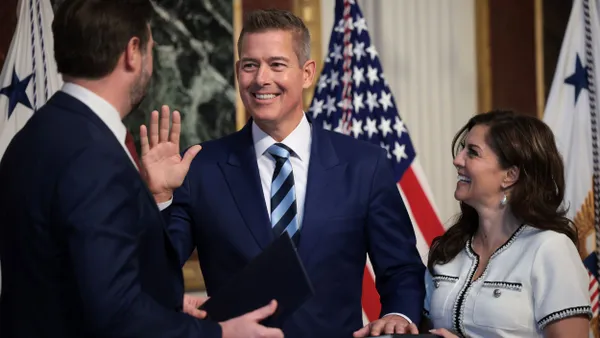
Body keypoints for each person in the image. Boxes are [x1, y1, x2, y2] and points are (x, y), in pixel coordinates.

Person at [0, 1, 283, 337]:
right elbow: (116, 313)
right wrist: (222, 334)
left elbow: (77, 277)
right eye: (151, 45)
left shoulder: (30, 137)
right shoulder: (94, 156)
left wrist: (166, 300)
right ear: (133, 52)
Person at [140, 8, 425, 338]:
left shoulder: (364, 165)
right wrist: (160, 198)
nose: (261, 78)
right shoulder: (200, 167)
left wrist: (398, 314)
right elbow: (157, 274)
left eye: (276, 64)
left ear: (306, 74)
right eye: (250, 65)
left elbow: (401, 268)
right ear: (237, 72)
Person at [424, 110, 592, 338]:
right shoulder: (450, 249)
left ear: (510, 175)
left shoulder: (550, 248)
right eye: (462, 149)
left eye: (472, 152)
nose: (457, 160)